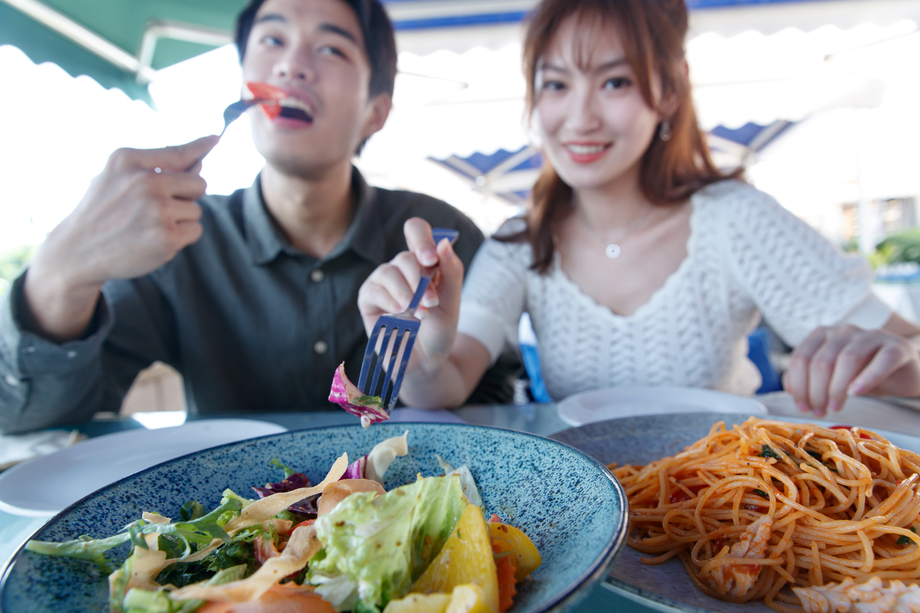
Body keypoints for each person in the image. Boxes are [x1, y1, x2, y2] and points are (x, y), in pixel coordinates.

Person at [357, 0, 920, 417]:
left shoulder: (736, 219)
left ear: (669, 92)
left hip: (737, 500)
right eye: (555, 85)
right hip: (588, 508)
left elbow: (909, 355)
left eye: (615, 81)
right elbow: (446, 385)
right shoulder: (523, 241)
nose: (580, 118)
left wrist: (889, 355)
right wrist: (425, 356)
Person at [0, 0, 517, 434]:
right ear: (245, 81)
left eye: (331, 48)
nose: (291, 65)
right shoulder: (179, 243)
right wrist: (61, 273)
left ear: (375, 112)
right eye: (271, 41)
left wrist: (432, 372)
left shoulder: (443, 239)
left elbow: (502, 403)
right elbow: (38, 419)